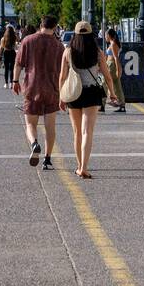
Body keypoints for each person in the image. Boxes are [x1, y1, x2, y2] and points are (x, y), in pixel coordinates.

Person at [60, 21, 120, 179]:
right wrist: (112, 93)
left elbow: (62, 76)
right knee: (88, 131)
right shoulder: (97, 51)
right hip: (91, 92)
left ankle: (79, 166)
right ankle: (84, 168)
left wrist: (61, 96)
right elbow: (107, 76)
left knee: (77, 132)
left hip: (73, 94)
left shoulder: (68, 51)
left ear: (75, 34)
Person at [14, 15, 63, 168]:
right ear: (54, 27)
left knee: (30, 124)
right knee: (50, 126)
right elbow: (63, 70)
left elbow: (19, 63)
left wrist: (15, 81)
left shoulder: (28, 41)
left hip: (32, 86)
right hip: (52, 88)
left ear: (41, 24)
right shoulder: (59, 45)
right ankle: (47, 159)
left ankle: (34, 143)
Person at [104, 29, 126, 113]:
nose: (105, 37)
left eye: (106, 35)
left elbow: (116, 58)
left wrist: (118, 69)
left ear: (109, 35)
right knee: (116, 84)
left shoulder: (113, 44)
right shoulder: (112, 44)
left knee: (106, 83)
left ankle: (114, 101)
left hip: (112, 65)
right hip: (110, 64)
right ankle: (120, 103)